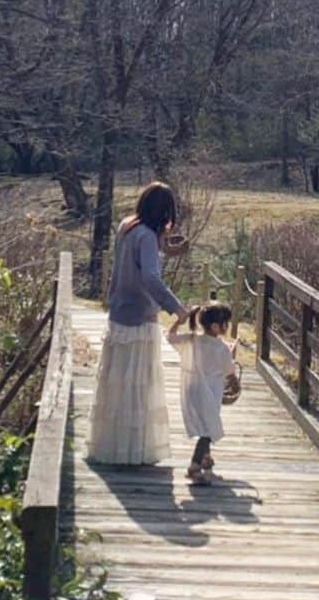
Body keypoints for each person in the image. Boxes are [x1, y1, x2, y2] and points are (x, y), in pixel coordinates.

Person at [88, 182, 189, 465]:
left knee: (118, 383)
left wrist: (165, 247)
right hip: (139, 316)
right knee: (138, 386)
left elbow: (137, 260)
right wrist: (177, 309)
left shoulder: (128, 225)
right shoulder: (146, 235)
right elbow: (150, 278)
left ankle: (112, 445)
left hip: (120, 312)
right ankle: (133, 449)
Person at [167, 302, 237, 485]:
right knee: (207, 431)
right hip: (209, 392)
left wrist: (178, 321)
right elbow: (229, 371)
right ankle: (195, 466)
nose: (227, 326)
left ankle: (205, 457)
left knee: (206, 423)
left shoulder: (192, 340)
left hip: (192, 389)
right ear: (215, 326)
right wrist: (235, 381)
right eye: (225, 323)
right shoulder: (222, 348)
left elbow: (171, 337)